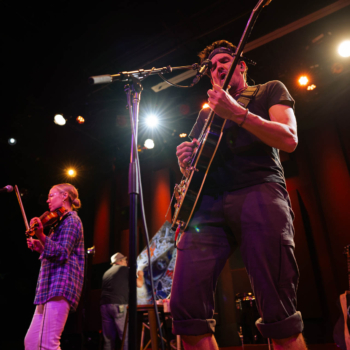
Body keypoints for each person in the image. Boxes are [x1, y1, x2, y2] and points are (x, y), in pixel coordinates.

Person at [170, 40, 307, 350]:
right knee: (185, 312)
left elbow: (289, 139)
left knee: (278, 311)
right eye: (212, 67)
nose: (218, 67)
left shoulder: (268, 90)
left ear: (241, 65)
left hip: (258, 190)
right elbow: (194, 168)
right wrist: (185, 160)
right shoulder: (205, 116)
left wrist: (239, 114)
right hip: (206, 205)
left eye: (225, 61)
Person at [24, 183, 85, 350]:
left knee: (48, 343)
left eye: (51, 195)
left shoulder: (72, 220)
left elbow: (63, 252)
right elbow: (54, 250)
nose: (47, 200)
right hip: (48, 287)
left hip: (60, 284)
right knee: (31, 343)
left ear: (65, 196)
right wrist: (41, 246)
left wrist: (41, 235)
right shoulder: (58, 223)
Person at [100, 252, 144, 350]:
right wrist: (140, 275)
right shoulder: (126, 270)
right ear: (120, 261)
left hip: (104, 306)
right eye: (125, 260)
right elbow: (139, 284)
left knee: (108, 339)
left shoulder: (106, 273)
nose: (126, 262)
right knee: (125, 337)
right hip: (118, 304)